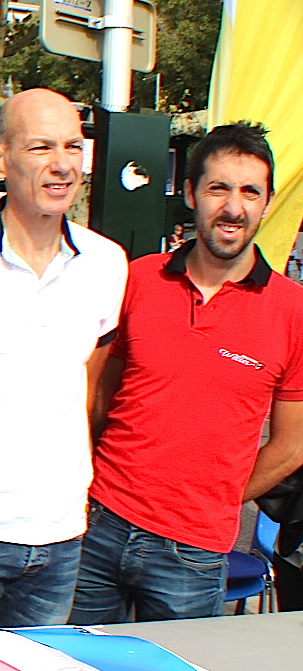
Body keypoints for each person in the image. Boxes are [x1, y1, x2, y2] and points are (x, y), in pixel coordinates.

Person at [73, 122, 303, 623]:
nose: (234, 207)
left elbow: (291, 446)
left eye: (250, 192)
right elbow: (96, 399)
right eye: (219, 188)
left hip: (193, 552)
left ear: (266, 204)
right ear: (192, 193)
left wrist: (213, 497)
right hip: (99, 526)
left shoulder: (293, 311)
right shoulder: (138, 278)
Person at [0, 90, 128, 630]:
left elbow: (86, 391)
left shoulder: (107, 263)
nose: (61, 164)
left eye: (73, 146)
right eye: (40, 147)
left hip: (62, 533)